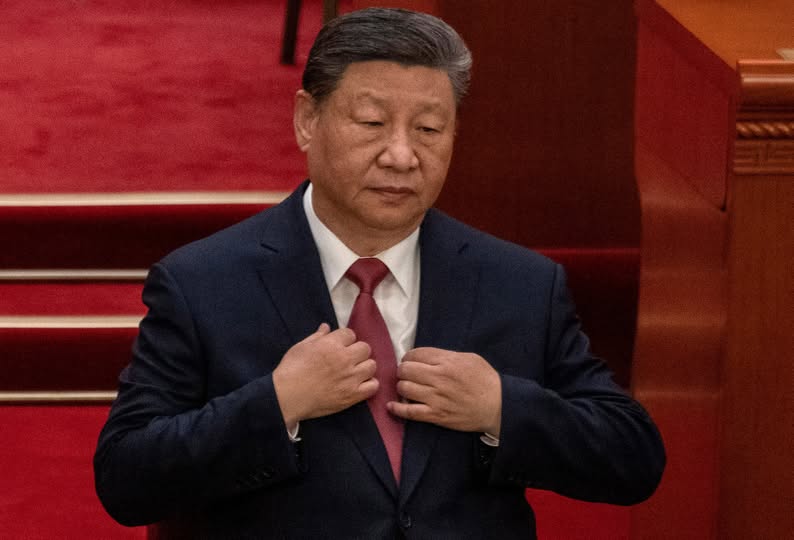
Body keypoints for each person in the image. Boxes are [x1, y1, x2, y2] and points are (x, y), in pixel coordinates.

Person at [94, 7, 665, 539]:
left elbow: (633, 458)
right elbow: (127, 478)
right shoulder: (203, 283)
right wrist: (277, 402)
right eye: (371, 122)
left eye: (429, 129)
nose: (401, 155)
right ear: (307, 120)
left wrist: (500, 406)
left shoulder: (520, 284)